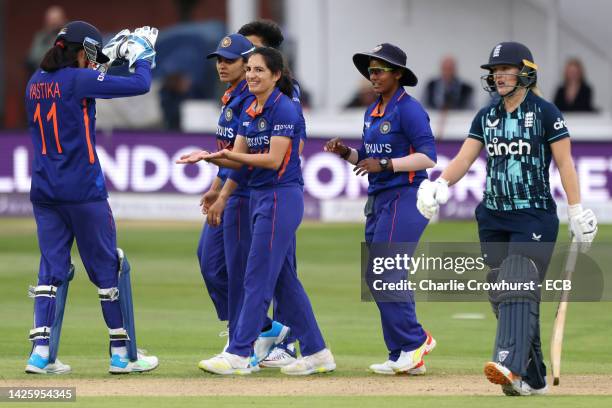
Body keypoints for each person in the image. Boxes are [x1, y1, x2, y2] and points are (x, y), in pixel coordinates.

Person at [416, 42, 598, 396]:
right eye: (494, 70)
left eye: (505, 69)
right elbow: (466, 158)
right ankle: (534, 376)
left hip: (534, 216)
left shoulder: (545, 113)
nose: (497, 75)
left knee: (517, 280)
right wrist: (439, 184)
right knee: (506, 293)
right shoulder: (487, 116)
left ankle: (509, 365)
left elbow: (565, 164)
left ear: (525, 72)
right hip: (492, 216)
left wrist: (576, 210)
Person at [177, 47, 335, 376]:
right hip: (260, 198)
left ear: (276, 75)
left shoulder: (285, 110)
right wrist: (209, 161)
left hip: (280, 197)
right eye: (249, 69)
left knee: (256, 276)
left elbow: (272, 160)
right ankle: (318, 352)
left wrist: (217, 157)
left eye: (259, 70)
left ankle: (238, 352)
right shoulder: (251, 108)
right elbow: (236, 156)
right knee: (284, 283)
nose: (251, 75)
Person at [24, 21, 159, 374]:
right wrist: (142, 56)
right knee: (107, 268)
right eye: (92, 53)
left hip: (44, 189)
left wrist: (103, 60)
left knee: (51, 269)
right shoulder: (79, 80)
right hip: (83, 190)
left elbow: (78, 83)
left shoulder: (35, 82)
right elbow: (140, 85)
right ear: (81, 51)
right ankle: (121, 354)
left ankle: (40, 354)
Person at [324, 43, 437, 375]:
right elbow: (367, 159)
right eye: (370, 71)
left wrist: (386, 163)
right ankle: (403, 352)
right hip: (380, 198)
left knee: (385, 271)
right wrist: (347, 153)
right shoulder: (372, 110)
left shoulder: (409, 109)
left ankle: (416, 340)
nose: (372, 76)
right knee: (379, 276)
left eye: (379, 71)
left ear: (397, 74)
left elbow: (429, 157)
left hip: (408, 195)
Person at [195, 33, 287, 363]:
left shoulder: (255, 99)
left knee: (240, 272)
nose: (222, 65)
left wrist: (224, 189)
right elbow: (231, 153)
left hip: (250, 194)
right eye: (219, 59)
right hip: (232, 190)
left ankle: (241, 342)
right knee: (210, 262)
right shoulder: (231, 98)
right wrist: (216, 187)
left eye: (229, 60)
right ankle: (261, 327)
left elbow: (244, 155)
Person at [26, 6, 68, 75]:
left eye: (56, 19)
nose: (53, 23)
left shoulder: (68, 34)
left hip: (62, 73)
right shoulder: (41, 36)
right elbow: (33, 56)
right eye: (50, 20)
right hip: (42, 74)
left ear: (63, 20)